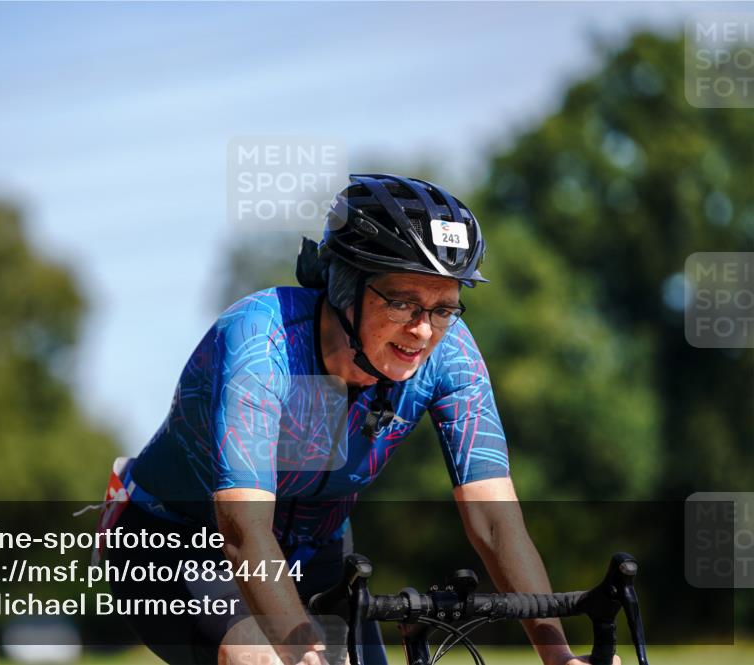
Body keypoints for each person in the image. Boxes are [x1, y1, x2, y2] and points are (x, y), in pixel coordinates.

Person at [104, 174, 619, 665]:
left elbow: (495, 521)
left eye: (444, 308)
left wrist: (558, 654)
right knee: (257, 657)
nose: (423, 331)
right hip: (178, 543)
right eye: (403, 303)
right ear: (346, 287)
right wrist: (303, 651)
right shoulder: (261, 340)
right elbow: (243, 532)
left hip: (318, 551)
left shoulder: (451, 353)